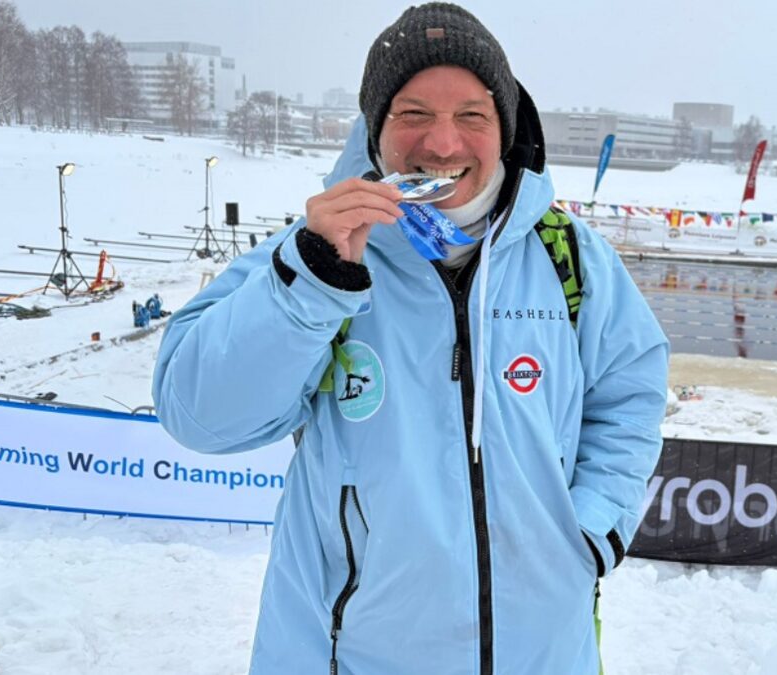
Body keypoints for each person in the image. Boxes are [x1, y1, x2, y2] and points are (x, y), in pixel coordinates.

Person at [151, 4, 669, 674]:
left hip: (544, 654)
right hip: (352, 654)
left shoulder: (570, 257)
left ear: (504, 129)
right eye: (414, 113)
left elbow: (630, 396)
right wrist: (313, 283)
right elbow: (200, 415)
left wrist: (589, 530)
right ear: (377, 130)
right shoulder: (317, 254)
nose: (443, 144)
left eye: (472, 116)